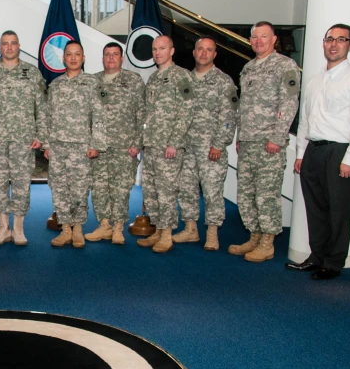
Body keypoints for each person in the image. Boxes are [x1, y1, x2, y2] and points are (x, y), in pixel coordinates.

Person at [288, 24, 350, 280]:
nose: (334, 44)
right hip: (313, 151)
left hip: (340, 153)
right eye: (329, 39)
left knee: (338, 210)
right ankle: (317, 257)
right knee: (315, 209)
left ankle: (334, 263)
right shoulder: (315, 79)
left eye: (341, 39)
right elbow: (306, 120)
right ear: (323, 43)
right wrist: (301, 153)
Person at [230, 21, 300, 262]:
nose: (258, 41)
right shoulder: (248, 68)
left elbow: (289, 103)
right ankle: (255, 236)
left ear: (274, 40)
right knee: (246, 193)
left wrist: (278, 137)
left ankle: (268, 243)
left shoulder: (285, 65)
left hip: (269, 142)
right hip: (248, 142)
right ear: (250, 41)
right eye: (254, 37)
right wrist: (240, 137)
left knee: (266, 194)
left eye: (263, 37)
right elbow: (243, 107)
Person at [0, 30, 48, 246]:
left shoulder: (32, 73)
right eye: (5, 44)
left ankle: (18, 228)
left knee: (21, 184)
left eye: (13, 43)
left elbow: (41, 107)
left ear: (19, 46)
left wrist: (42, 135)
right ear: (0, 47)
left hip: (23, 138)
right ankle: (2, 228)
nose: (9, 47)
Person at [173, 37, 237, 251]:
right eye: (200, 49)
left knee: (211, 191)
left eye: (208, 50)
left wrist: (219, 144)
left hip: (211, 148)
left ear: (214, 55)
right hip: (186, 146)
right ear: (194, 52)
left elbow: (229, 117)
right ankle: (191, 229)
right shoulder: (185, 80)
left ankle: (212, 233)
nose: (203, 53)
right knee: (186, 189)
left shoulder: (223, 81)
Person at [42, 40, 107, 248]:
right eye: (68, 54)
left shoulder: (92, 83)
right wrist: (47, 145)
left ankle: (78, 228)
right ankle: (66, 229)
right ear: (63, 58)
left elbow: (99, 115)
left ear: (83, 58)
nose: (72, 58)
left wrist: (95, 143)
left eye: (77, 54)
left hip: (81, 146)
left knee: (79, 189)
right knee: (59, 189)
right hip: (58, 146)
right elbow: (47, 116)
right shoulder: (55, 85)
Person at [136, 35, 194, 253]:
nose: (157, 52)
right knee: (151, 191)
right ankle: (158, 230)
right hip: (151, 145)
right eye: (154, 49)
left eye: (162, 48)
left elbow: (186, 112)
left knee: (167, 191)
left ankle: (167, 234)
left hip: (168, 146)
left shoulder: (182, 76)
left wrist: (174, 142)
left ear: (172, 51)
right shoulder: (153, 78)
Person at [85, 42, 144, 245]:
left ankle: (118, 227)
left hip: (124, 146)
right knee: (100, 187)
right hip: (98, 147)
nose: (111, 58)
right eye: (107, 54)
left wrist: (138, 143)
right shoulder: (93, 81)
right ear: (102, 58)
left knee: (120, 189)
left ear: (121, 58)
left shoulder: (134, 81)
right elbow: (86, 116)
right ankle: (104, 226)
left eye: (115, 54)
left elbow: (142, 114)